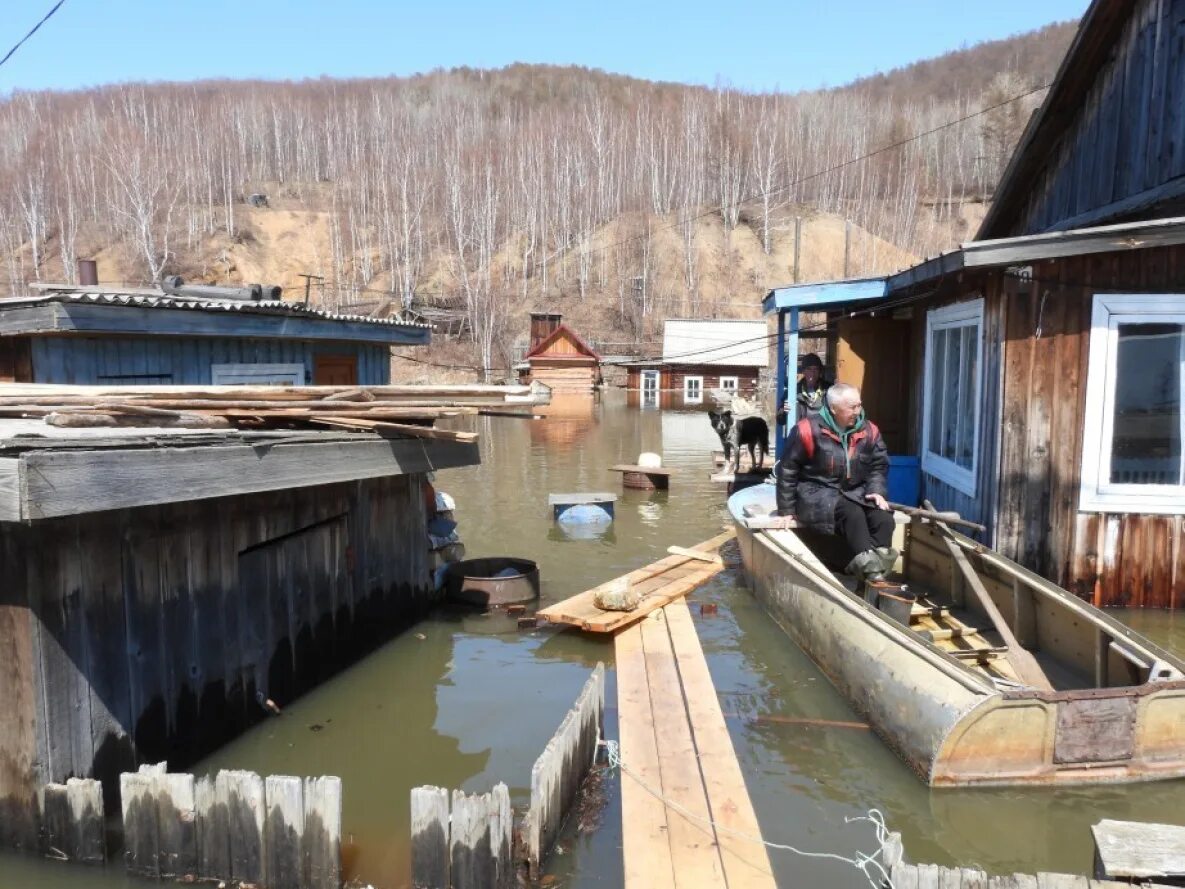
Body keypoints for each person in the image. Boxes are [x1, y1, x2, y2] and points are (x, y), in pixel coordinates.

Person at [771, 382, 897, 597]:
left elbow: (878, 465)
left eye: (859, 405)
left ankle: (868, 572)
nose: (857, 412)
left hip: (856, 491)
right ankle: (871, 578)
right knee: (852, 513)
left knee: (885, 519)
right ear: (833, 409)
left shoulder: (869, 430)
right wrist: (786, 510)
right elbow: (788, 470)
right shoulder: (806, 430)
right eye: (852, 407)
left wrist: (876, 490)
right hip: (815, 491)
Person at [795, 353, 828, 420]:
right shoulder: (794, 390)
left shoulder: (829, 390)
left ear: (820, 372)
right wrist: (784, 410)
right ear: (803, 371)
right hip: (801, 429)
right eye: (809, 369)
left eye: (816, 369)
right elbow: (780, 419)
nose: (812, 373)